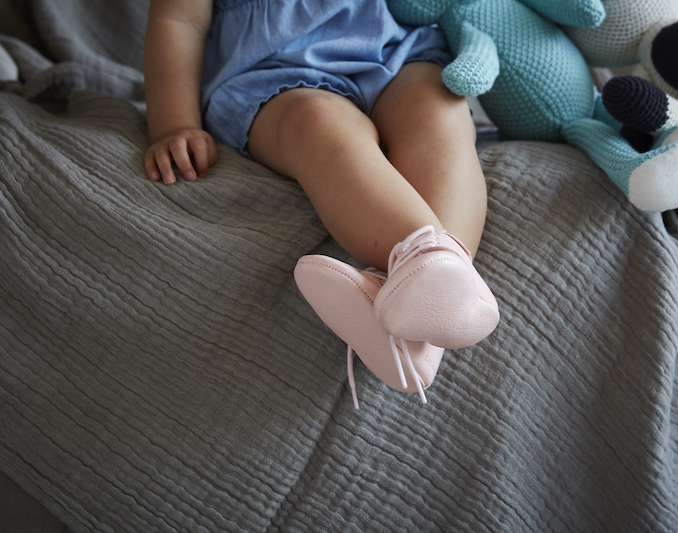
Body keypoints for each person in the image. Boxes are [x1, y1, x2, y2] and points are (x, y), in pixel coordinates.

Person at [143, 0, 499, 407]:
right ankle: (433, 292)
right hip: (272, 76)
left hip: (396, 49)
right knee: (314, 123)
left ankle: (434, 286)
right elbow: (179, 19)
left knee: (441, 111)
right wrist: (175, 124)